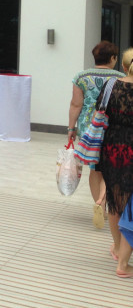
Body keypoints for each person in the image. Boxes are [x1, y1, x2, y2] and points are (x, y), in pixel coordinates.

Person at [68, 41, 125, 227]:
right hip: (111, 127)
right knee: (109, 166)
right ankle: (104, 202)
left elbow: (76, 104)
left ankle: (99, 205)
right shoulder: (121, 78)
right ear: (113, 58)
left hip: (89, 129)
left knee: (95, 168)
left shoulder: (81, 77)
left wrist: (71, 128)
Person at [99, 47, 133, 277]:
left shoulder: (111, 85)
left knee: (115, 198)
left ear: (124, 66)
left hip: (112, 146)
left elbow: (100, 111)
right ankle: (123, 258)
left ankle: (118, 247)